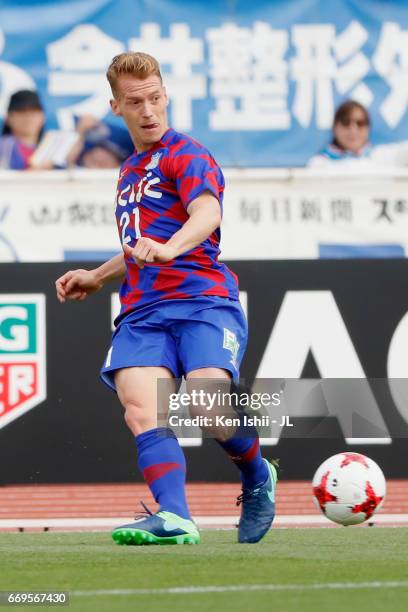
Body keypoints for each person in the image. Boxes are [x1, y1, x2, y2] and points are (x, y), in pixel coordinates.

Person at [55, 51, 277, 546]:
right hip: (143, 311)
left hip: (202, 300)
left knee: (206, 403)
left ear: (166, 95)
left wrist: (172, 247)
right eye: (136, 102)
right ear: (117, 106)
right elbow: (141, 248)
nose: (149, 110)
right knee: (140, 408)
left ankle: (258, 475)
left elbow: (207, 213)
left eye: (155, 98)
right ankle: (175, 516)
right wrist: (98, 275)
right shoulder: (129, 171)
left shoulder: (187, 154)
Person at [309, 99, 408, 168]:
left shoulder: (381, 155)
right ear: (335, 128)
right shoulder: (319, 163)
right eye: (346, 122)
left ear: (368, 128)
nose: (353, 130)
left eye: (360, 123)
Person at [0, 89, 52, 170]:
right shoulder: (3, 148)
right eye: (21, 112)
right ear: (8, 118)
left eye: (33, 112)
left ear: (43, 117)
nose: (28, 118)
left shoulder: (53, 147)